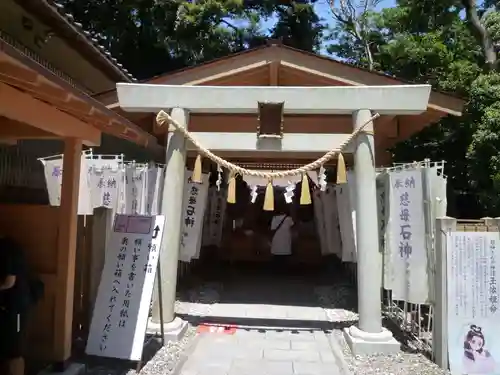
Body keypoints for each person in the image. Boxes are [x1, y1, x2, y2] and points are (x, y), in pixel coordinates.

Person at [0, 235, 30, 375]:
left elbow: (9, 282)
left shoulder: (9, 249)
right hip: (4, 305)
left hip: (14, 306)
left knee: (14, 351)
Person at [270, 205, 295, 273]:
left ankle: (277, 270)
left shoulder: (274, 218)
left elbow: (272, 229)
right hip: (285, 238)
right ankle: (284, 270)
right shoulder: (288, 219)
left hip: (277, 238)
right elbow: (292, 226)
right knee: (285, 256)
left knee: (277, 256)